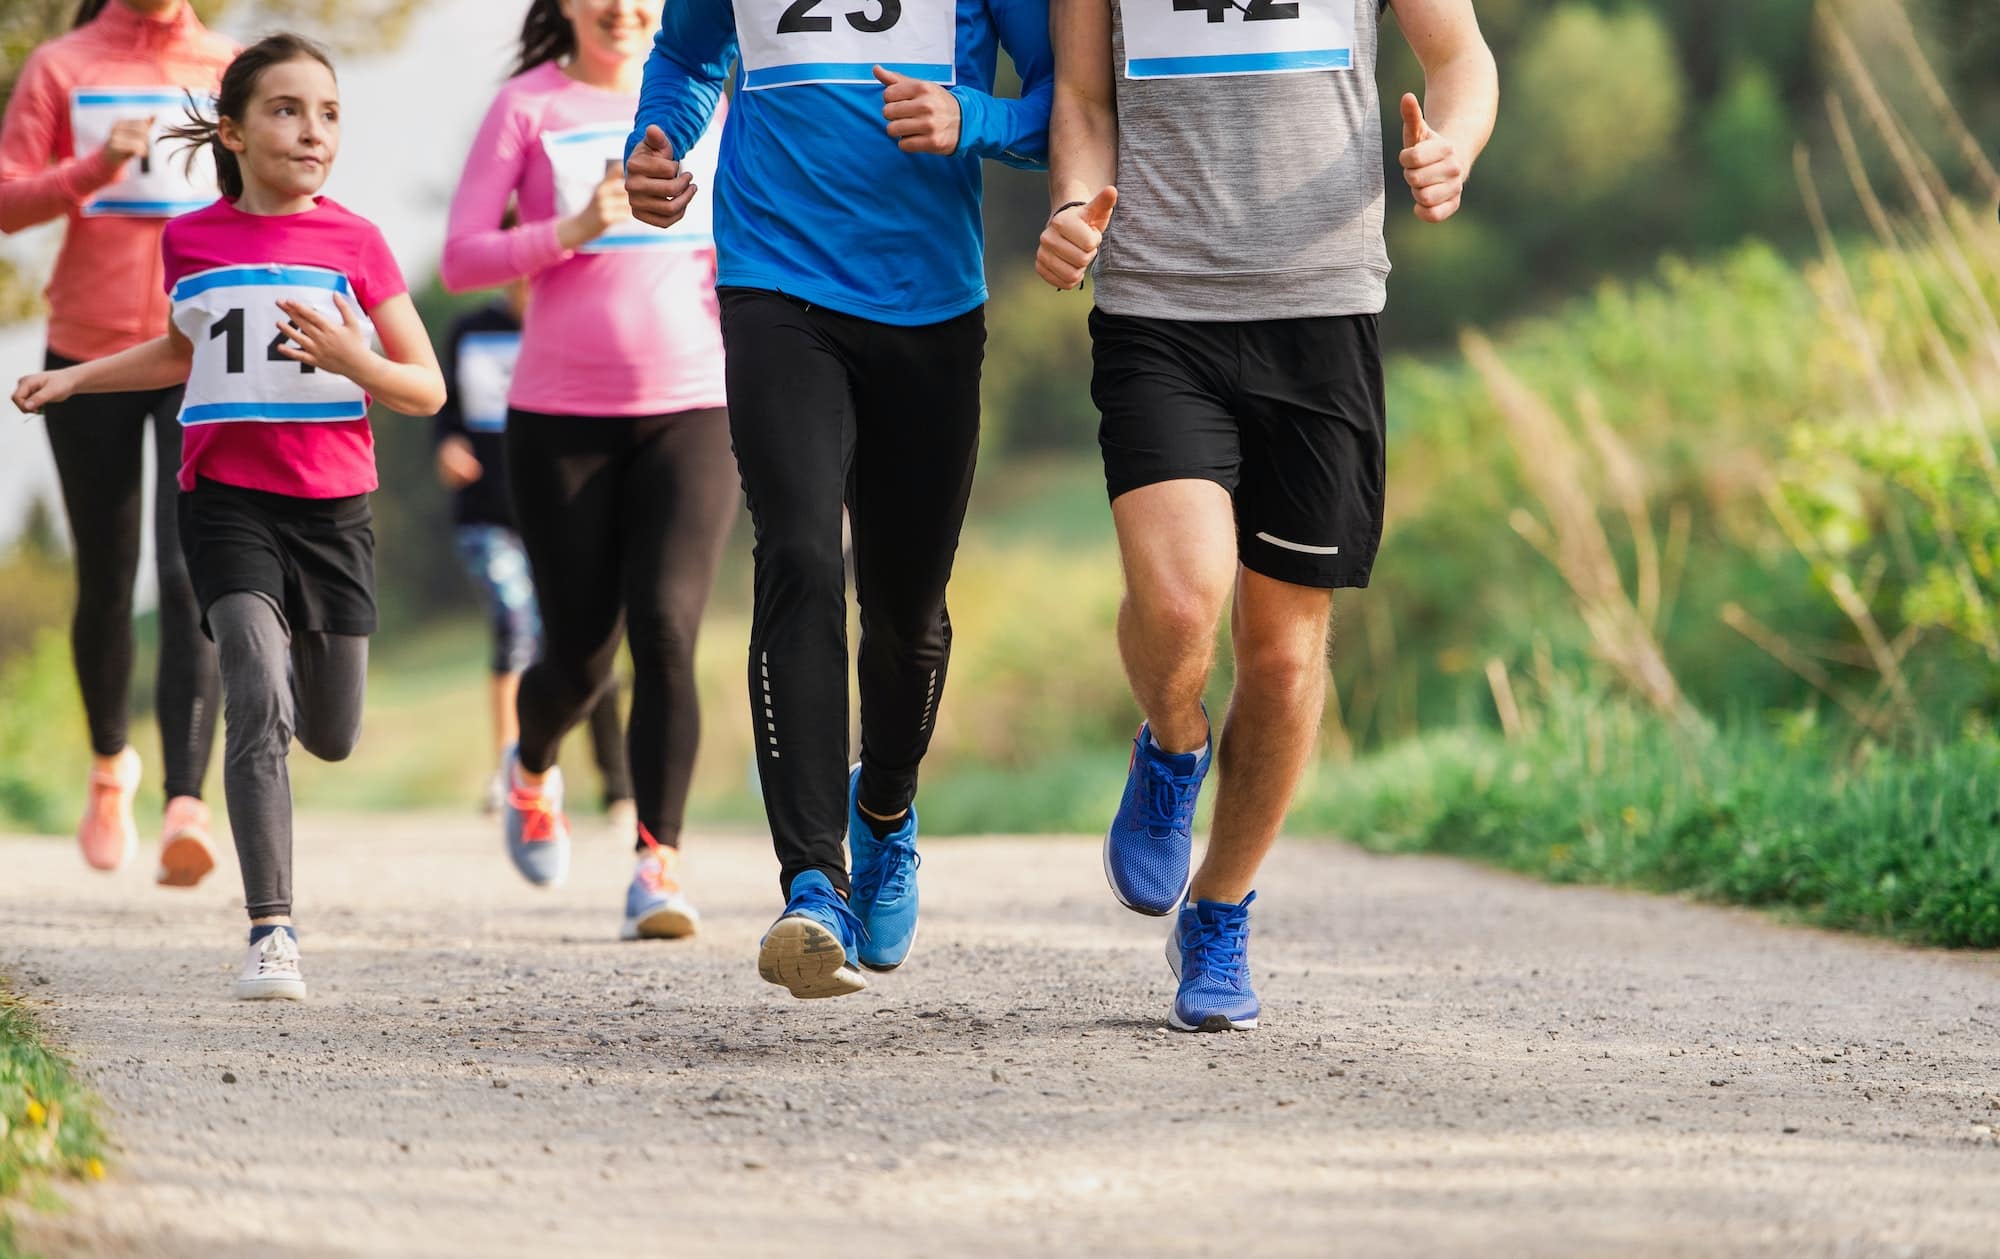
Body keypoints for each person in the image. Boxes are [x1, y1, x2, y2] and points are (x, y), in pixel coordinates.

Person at [1037, 0, 1497, 1031]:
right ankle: (1169, 741)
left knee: (1284, 656)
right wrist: (1072, 202)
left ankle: (1219, 905)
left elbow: (1460, 58)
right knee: (1176, 597)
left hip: (1321, 308)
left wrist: (1452, 148)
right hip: (1157, 307)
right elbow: (1078, 94)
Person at [625, 0, 1052, 996]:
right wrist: (654, 146)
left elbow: (1062, 109)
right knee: (801, 552)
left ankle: (886, 814)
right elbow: (687, 58)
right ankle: (812, 882)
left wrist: (971, 120)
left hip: (928, 302)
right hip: (774, 281)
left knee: (906, 609)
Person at [12, 34, 448, 1001]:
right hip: (226, 503)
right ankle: (271, 930)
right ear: (236, 131)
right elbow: (178, 351)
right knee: (252, 682)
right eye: (288, 110)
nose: (312, 130)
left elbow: (424, 386)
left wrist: (355, 362)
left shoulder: (358, 243)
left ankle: (289, 683)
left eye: (329, 113)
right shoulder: (192, 240)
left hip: (333, 510)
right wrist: (78, 376)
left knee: (329, 732)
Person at [442, 0, 736, 942]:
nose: (623, 7)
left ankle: (659, 861)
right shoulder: (526, 107)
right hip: (559, 417)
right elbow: (459, 256)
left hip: (695, 405)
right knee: (578, 654)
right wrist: (567, 228)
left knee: (666, 627)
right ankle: (531, 763)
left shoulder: (717, 102)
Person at [0, 0, 233, 884]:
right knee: (106, 575)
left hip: (198, 348)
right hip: (86, 353)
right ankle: (109, 767)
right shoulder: (62, 65)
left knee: (187, 574)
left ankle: (185, 802)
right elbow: (7, 201)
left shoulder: (228, 65)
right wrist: (92, 168)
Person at [431, 277, 636, 830]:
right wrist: (446, 444)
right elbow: (445, 410)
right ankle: (511, 771)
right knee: (515, 623)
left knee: (587, 643)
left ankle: (617, 787)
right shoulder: (468, 331)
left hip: (568, 511)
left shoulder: (576, 324)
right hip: (488, 515)